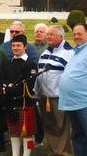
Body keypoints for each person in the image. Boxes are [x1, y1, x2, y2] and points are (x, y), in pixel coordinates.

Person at [35, 25, 74, 155]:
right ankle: (55, 150)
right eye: (48, 34)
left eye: (52, 34)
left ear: (61, 36)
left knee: (61, 127)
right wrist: (36, 92)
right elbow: (39, 74)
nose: (48, 37)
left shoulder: (69, 53)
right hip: (43, 97)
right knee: (49, 125)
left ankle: (64, 153)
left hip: (59, 97)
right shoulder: (45, 52)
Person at [0, 34, 38, 156]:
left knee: (28, 134)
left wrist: (9, 89)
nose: (15, 48)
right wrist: (5, 87)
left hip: (24, 102)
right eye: (13, 45)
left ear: (25, 47)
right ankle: (15, 154)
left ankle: (27, 154)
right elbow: (1, 78)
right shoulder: (8, 63)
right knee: (14, 132)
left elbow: (28, 85)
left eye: (18, 45)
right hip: (10, 103)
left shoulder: (30, 64)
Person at [59, 23, 87, 155]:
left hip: (84, 102)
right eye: (74, 34)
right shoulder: (77, 51)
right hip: (73, 102)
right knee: (78, 136)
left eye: (79, 34)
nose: (76, 37)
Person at [32, 23, 48, 146]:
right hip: (32, 83)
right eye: (36, 31)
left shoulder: (49, 48)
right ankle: (37, 137)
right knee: (34, 112)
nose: (38, 33)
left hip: (45, 83)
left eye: (41, 31)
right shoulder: (30, 47)